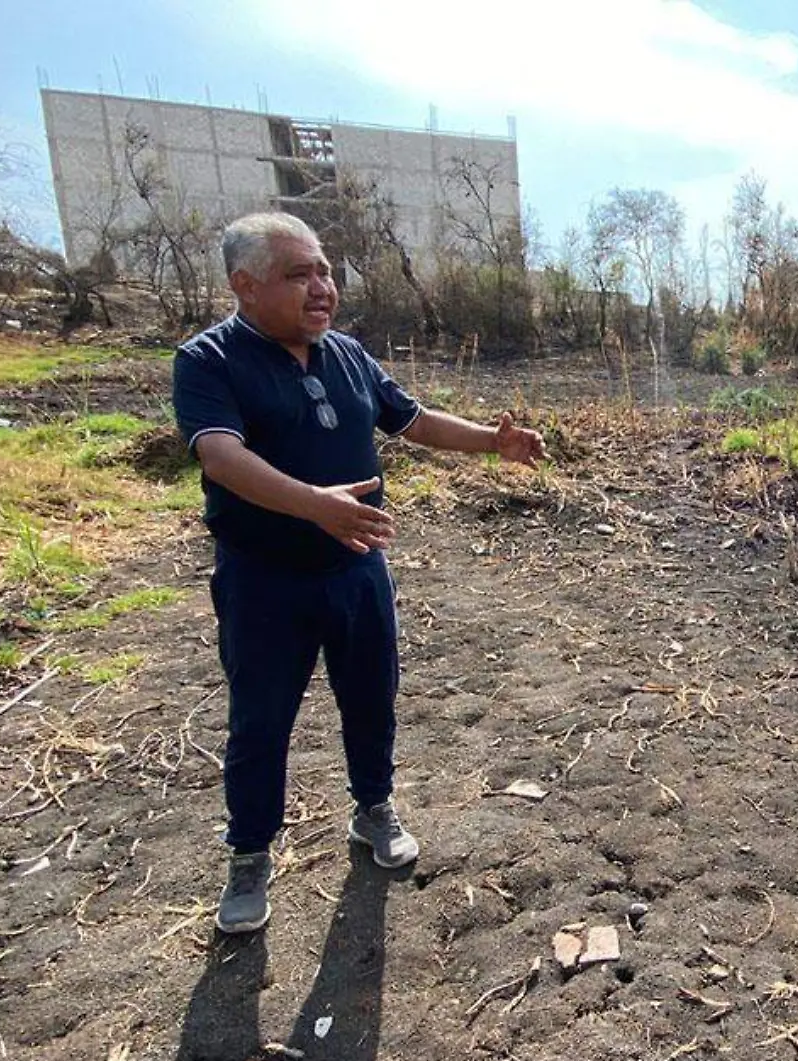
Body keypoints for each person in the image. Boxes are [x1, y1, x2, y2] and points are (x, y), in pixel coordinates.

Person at [172, 212, 545, 934]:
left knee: (371, 696)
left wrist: (490, 444)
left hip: (356, 569)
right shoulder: (209, 360)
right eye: (298, 274)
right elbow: (220, 456)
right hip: (264, 579)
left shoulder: (345, 354)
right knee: (261, 720)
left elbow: (412, 420)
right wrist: (315, 506)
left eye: (324, 271)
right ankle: (249, 855)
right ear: (244, 286)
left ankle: (372, 809)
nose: (322, 288)